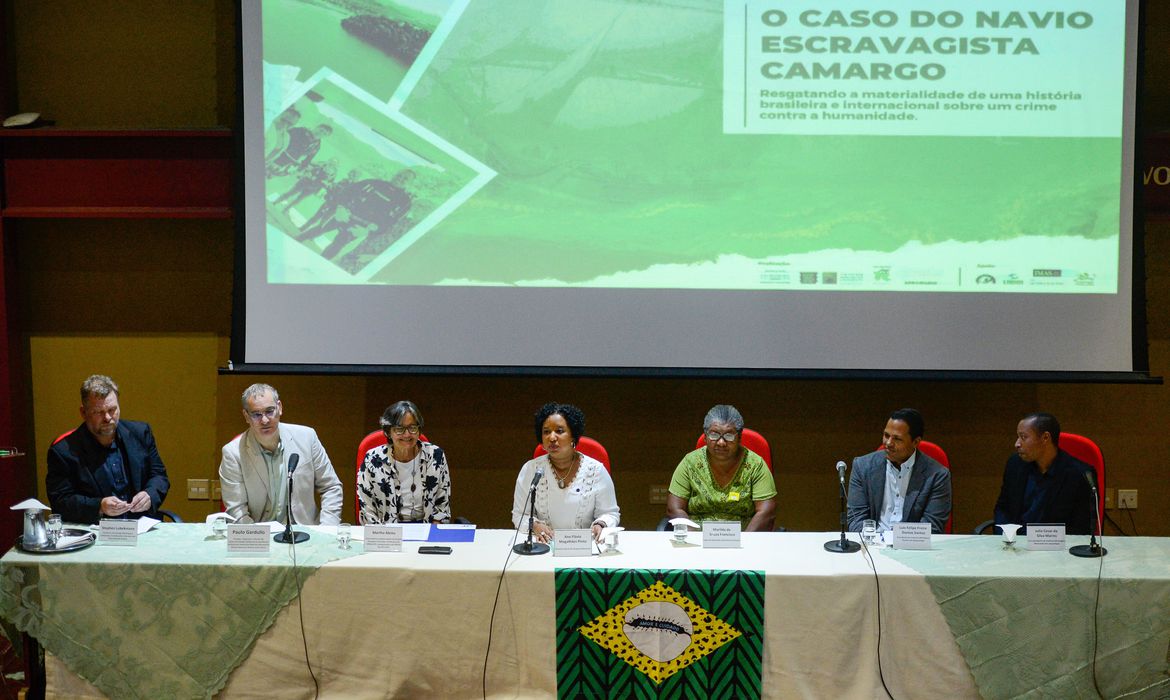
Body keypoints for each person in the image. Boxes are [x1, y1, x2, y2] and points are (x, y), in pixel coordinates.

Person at [46, 375, 171, 524]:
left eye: (112, 409)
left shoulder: (141, 434)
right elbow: (60, 501)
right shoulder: (63, 451)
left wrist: (150, 495)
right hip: (96, 532)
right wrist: (99, 506)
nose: (107, 418)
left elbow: (159, 475)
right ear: (83, 413)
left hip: (142, 527)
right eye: (98, 412)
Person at [219, 383, 343, 525]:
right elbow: (237, 510)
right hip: (260, 535)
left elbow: (331, 487)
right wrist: (256, 540)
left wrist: (326, 530)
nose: (265, 420)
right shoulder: (233, 453)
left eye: (270, 411)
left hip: (305, 533)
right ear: (246, 416)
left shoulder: (307, 438)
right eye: (256, 414)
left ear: (280, 408)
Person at [511, 403, 619, 543]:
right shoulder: (531, 470)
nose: (552, 437)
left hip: (585, 547)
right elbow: (519, 515)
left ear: (573, 436)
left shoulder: (596, 470)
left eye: (559, 431)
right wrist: (535, 525)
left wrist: (601, 524)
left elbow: (610, 513)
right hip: (544, 547)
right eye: (546, 432)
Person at [666, 405, 776, 531]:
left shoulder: (755, 465)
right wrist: (695, 538)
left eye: (729, 436)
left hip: (744, 538)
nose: (721, 442)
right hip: (697, 538)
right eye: (714, 435)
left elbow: (766, 511)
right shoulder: (690, 463)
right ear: (706, 436)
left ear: (739, 437)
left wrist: (745, 542)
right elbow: (674, 508)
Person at [847, 408, 952, 534]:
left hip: (914, 548)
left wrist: (898, 542)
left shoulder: (937, 476)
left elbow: (932, 527)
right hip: (873, 544)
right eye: (886, 435)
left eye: (897, 439)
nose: (888, 443)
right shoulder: (862, 467)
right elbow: (856, 519)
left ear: (916, 442)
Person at [993, 412, 1094, 535]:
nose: (1017, 444)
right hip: (1015, 545)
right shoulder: (1015, 465)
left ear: (1045, 438)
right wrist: (1004, 535)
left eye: (1023, 437)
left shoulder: (1079, 475)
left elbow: (1081, 528)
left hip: (1056, 549)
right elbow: (1003, 508)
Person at [358, 401, 451, 524]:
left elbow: (442, 507)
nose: (407, 434)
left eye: (412, 428)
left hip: (427, 530)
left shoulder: (435, 456)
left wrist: (430, 536)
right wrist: (384, 539)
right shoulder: (372, 459)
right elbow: (367, 511)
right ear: (388, 432)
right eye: (399, 429)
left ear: (419, 430)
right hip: (386, 533)